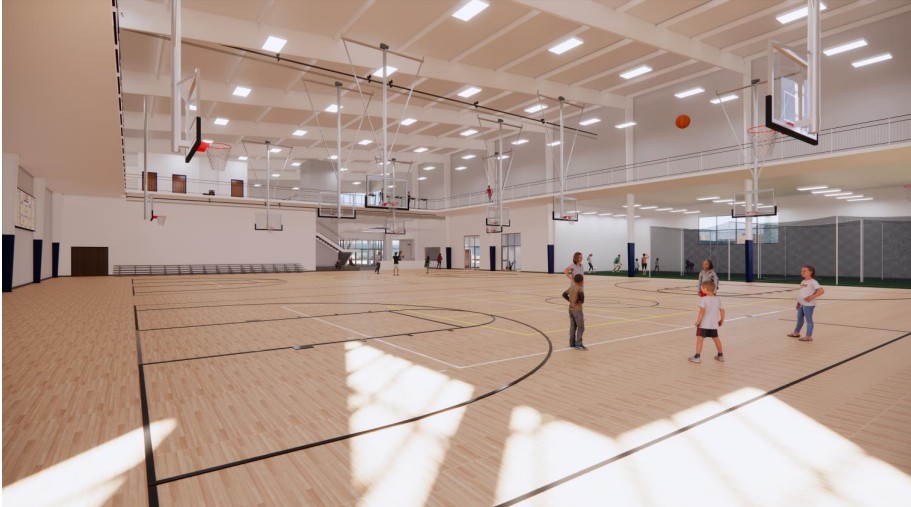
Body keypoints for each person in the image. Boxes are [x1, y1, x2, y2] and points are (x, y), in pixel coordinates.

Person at [689, 280, 725, 363]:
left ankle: (697, 357)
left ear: (705, 289)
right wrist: (721, 320)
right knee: (716, 338)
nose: (701, 289)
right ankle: (720, 355)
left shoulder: (703, 299)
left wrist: (698, 321)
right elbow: (722, 311)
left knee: (700, 339)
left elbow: (702, 311)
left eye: (701, 288)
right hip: (713, 324)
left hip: (703, 324)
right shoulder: (718, 299)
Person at [788, 265, 825, 342]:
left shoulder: (813, 282)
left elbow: (821, 291)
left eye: (805, 271)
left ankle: (808, 336)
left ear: (811, 272)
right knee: (800, 319)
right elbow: (801, 293)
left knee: (809, 320)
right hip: (802, 304)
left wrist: (811, 297)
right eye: (801, 271)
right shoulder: (803, 281)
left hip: (808, 304)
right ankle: (796, 332)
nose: (802, 272)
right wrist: (798, 302)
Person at [567, 274, 587, 351]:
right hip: (577, 310)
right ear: (580, 281)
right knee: (581, 327)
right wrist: (579, 301)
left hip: (570, 309)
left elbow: (564, 294)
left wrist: (570, 300)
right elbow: (582, 298)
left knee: (573, 326)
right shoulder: (580, 288)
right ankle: (578, 344)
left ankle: (572, 343)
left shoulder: (571, 287)